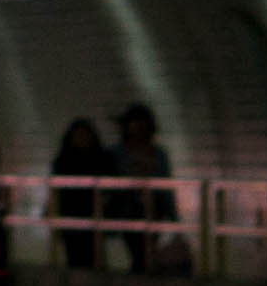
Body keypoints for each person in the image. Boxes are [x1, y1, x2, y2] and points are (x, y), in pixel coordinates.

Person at [109, 103, 178, 273]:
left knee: (146, 248)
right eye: (134, 123)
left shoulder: (159, 154)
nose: (137, 128)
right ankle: (142, 274)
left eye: (141, 123)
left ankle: (140, 275)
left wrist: (174, 217)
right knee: (139, 249)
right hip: (127, 208)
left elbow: (165, 186)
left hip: (154, 208)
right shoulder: (115, 153)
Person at [52, 115, 107, 268]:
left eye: (84, 135)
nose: (81, 139)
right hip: (71, 217)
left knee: (94, 256)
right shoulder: (63, 162)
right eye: (78, 135)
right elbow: (57, 191)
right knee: (74, 257)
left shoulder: (99, 160)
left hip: (92, 215)